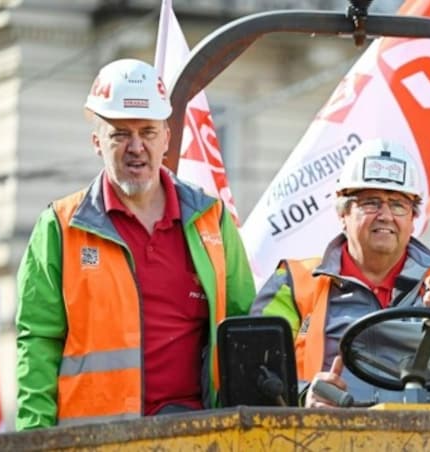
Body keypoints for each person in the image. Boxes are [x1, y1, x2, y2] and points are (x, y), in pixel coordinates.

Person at [15, 59, 255, 430]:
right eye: (120, 134)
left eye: (147, 131)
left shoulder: (212, 219)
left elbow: (244, 326)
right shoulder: (60, 227)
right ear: (97, 142)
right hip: (95, 440)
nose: (136, 147)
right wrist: (33, 438)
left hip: (197, 435)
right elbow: (38, 343)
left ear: (167, 139)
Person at [251, 138, 430, 407]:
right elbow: (256, 366)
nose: (385, 215)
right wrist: (305, 395)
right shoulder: (295, 282)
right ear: (343, 213)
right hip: (330, 437)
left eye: (398, 204)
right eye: (371, 202)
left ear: (412, 219)